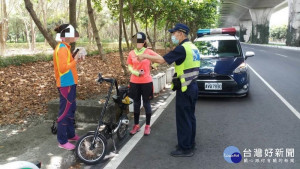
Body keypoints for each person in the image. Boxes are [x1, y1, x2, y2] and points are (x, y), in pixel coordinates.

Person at [137, 23, 200, 157]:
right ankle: (190, 143)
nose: (172, 36)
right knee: (190, 117)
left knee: (183, 118)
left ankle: (185, 148)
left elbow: (161, 60)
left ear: (181, 34)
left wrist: (145, 56)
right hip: (193, 86)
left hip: (185, 88)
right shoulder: (193, 47)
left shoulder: (182, 48)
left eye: (174, 33)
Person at [53, 24, 82, 150]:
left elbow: (68, 65)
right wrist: (75, 60)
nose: (75, 36)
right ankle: (62, 140)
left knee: (71, 109)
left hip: (70, 83)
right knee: (65, 112)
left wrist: (76, 59)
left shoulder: (65, 47)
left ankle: (71, 134)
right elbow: (63, 68)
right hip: (66, 84)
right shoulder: (62, 49)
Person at [127, 32, 160, 136]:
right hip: (134, 82)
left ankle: (147, 126)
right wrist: (136, 72)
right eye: (136, 41)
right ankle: (136, 125)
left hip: (146, 82)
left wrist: (153, 65)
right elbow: (129, 66)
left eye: (140, 41)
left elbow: (159, 58)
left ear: (144, 42)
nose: (137, 43)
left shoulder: (148, 52)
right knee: (136, 103)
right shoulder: (131, 53)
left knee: (146, 103)